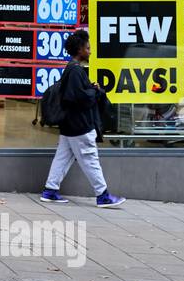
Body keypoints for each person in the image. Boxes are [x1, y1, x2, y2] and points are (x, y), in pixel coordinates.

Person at [40, 29, 127, 208]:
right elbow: (78, 98)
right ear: (79, 50)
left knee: (62, 158)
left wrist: (90, 89)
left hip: (69, 126)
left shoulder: (71, 69)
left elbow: (75, 94)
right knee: (90, 159)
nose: (90, 51)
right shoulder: (76, 71)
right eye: (87, 48)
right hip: (79, 125)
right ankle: (102, 195)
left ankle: (50, 190)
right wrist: (95, 91)